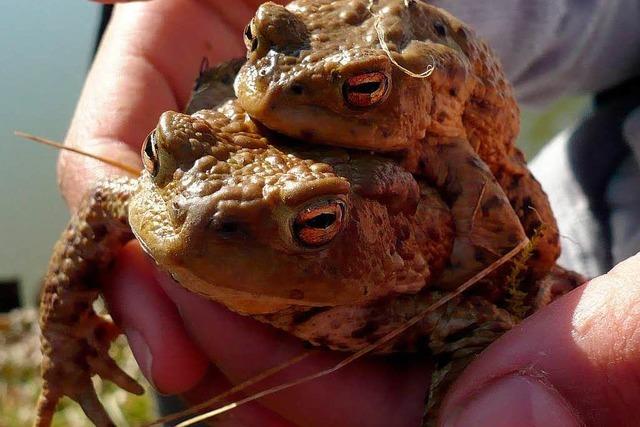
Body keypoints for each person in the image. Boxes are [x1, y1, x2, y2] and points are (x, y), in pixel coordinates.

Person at [59, 1, 640, 425]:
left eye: (315, 222)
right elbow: (106, 199)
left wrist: (484, 372)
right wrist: (66, 334)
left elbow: (501, 278)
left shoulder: (450, 168)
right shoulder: (184, 188)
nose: (196, 221)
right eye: (160, 152)